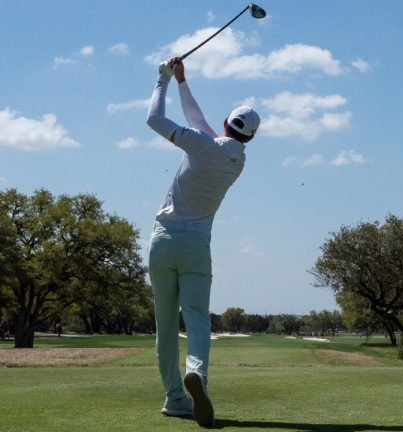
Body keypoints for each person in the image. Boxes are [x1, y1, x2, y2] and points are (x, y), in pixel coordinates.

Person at [146, 57, 260, 428]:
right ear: (250, 137)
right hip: (197, 247)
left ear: (227, 123)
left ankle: (174, 397)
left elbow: (155, 120)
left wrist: (161, 79)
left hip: (163, 241)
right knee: (196, 320)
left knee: (165, 324)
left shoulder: (203, 145)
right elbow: (199, 125)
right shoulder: (236, 159)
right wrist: (182, 82)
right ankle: (197, 374)